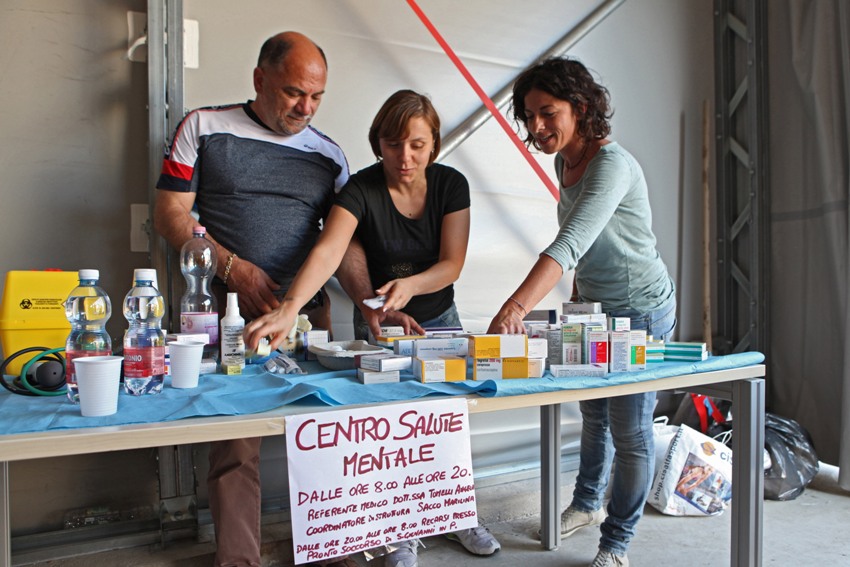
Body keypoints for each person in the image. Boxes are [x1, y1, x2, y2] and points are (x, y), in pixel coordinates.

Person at [244, 89, 501, 567]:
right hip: (382, 325)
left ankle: (458, 514)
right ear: (377, 142)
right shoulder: (360, 189)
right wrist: (288, 307)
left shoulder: (451, 185)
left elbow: (452, 264)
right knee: (394, 430)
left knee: (449, 423)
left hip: (440, 323)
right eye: (393, 144)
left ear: (434, 144)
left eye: (417, 145)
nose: (405, 157)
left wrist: (410, 284)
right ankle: (401, 531)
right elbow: (328, 251)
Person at [153, 32, 354, 567]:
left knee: (322, 430)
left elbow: (344, 243)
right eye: (293, 93)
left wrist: (374, 303)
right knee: (235, 439)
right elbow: (170, 213)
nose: (304, 108)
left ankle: (329, 549)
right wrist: (231, 267)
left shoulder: (330, 155)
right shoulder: (204, 126)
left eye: (316, 97)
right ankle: (238, 560)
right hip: (223, 314)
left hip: (308, 316)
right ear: (259, 80)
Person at [487, 57, 677, 567]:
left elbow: (569, 240)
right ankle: (588, 504)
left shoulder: (612, 164)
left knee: (632, 431)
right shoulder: (563, 163)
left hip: (640, 309)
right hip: (595, 306)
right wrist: (577, 300)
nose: (537, 127)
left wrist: (515, 305)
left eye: (548, 112)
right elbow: (587, 240)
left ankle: (616, 544)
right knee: (593, 415)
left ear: (582, 107)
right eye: (528, 117)